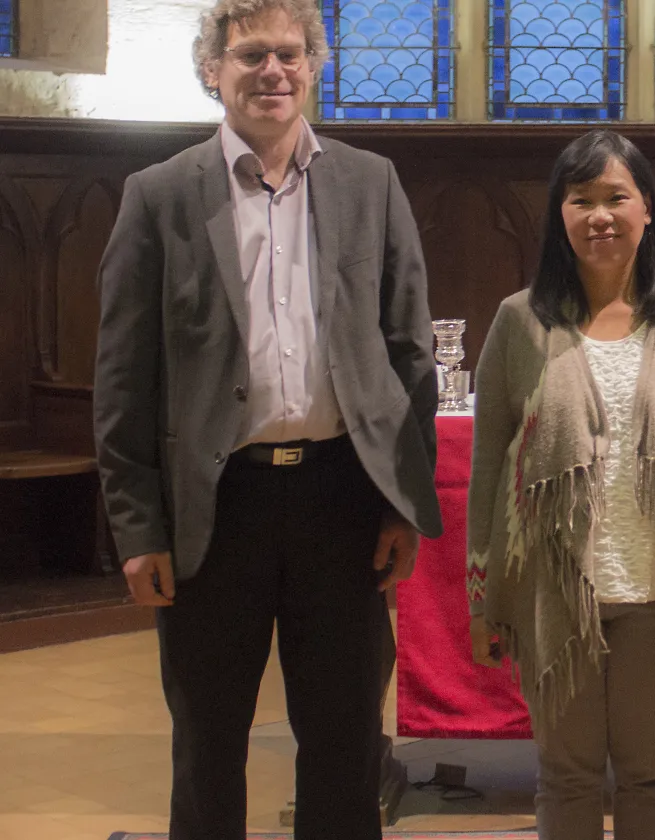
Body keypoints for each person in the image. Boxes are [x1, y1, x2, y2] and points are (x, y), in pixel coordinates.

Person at [92, 0, 442, 836]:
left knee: (345, 741)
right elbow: (123, 379)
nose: (272, 72)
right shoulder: (159, 196)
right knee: (208, 745)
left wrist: (399, 500)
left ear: (314, 68)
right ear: (213, 69)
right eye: (251, 55)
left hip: (341, 503)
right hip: (215, 513)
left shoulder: (370, 183)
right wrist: (138, 528)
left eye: (289, 54)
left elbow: (410, 354)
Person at [466, 129, 655, 840]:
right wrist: (483, 592)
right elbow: (491, 461)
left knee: (653, 774)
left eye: (616, 196)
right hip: (556, 593)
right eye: (581, 198)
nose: (600, 214)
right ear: (559, 215)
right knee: (567, 775)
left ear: (646, 207)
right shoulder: (518, 320)